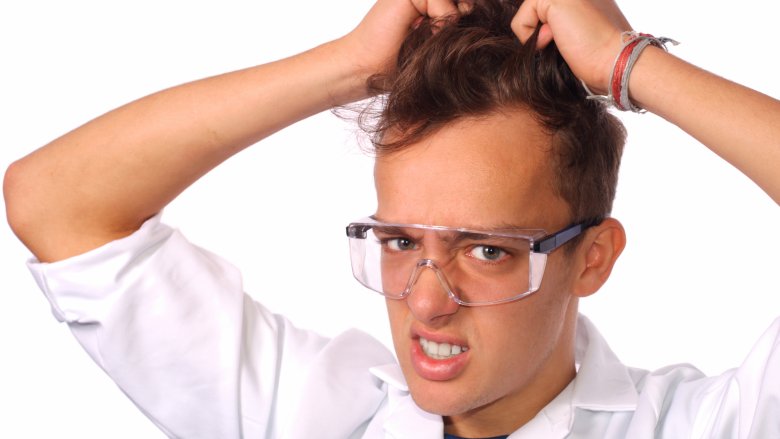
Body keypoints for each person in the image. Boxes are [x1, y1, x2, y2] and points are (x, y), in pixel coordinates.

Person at [3, 0, 779, 438]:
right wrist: (353, 65)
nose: (427, 299)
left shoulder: (708, 427)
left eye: (487, 249)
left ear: (593, 257)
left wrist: (625, 63)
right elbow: (57, 204)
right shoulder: (321, 411)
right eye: (402, 240)